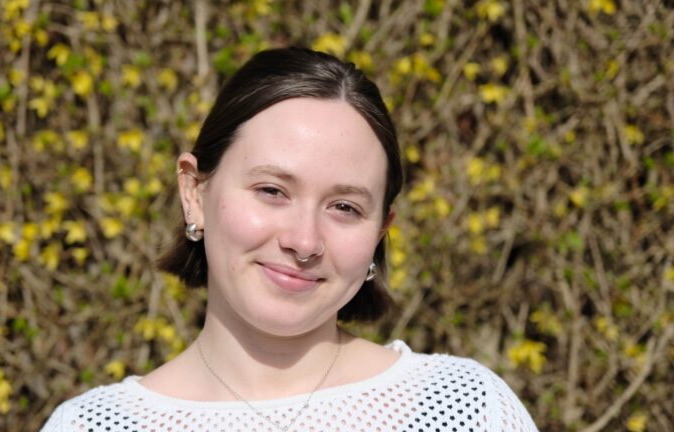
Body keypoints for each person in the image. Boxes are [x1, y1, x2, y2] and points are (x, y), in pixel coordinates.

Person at [41, 47, 539, 432]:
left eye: (345, 208)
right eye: (272, 191)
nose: (304, 241)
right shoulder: (90, 427)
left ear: (380, 231)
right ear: (194, 192)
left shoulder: (464, 410)